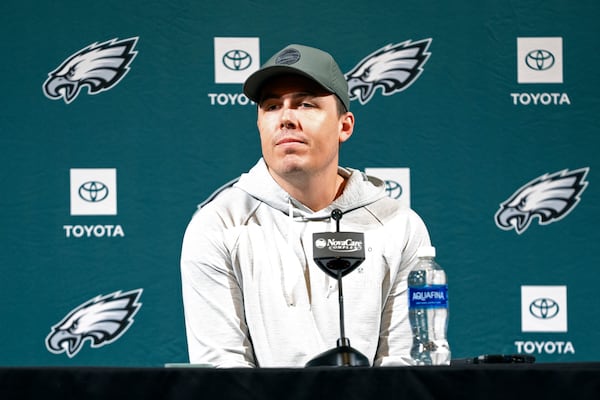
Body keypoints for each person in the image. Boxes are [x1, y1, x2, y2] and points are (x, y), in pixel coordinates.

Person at [180, 44, 431, 368]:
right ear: (259, 125)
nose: (286, 118)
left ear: (345, 126)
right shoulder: (218, 224)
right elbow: (224, 372)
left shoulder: (399, 226)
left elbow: (406, 366)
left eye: (306, 104)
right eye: (271, 106)